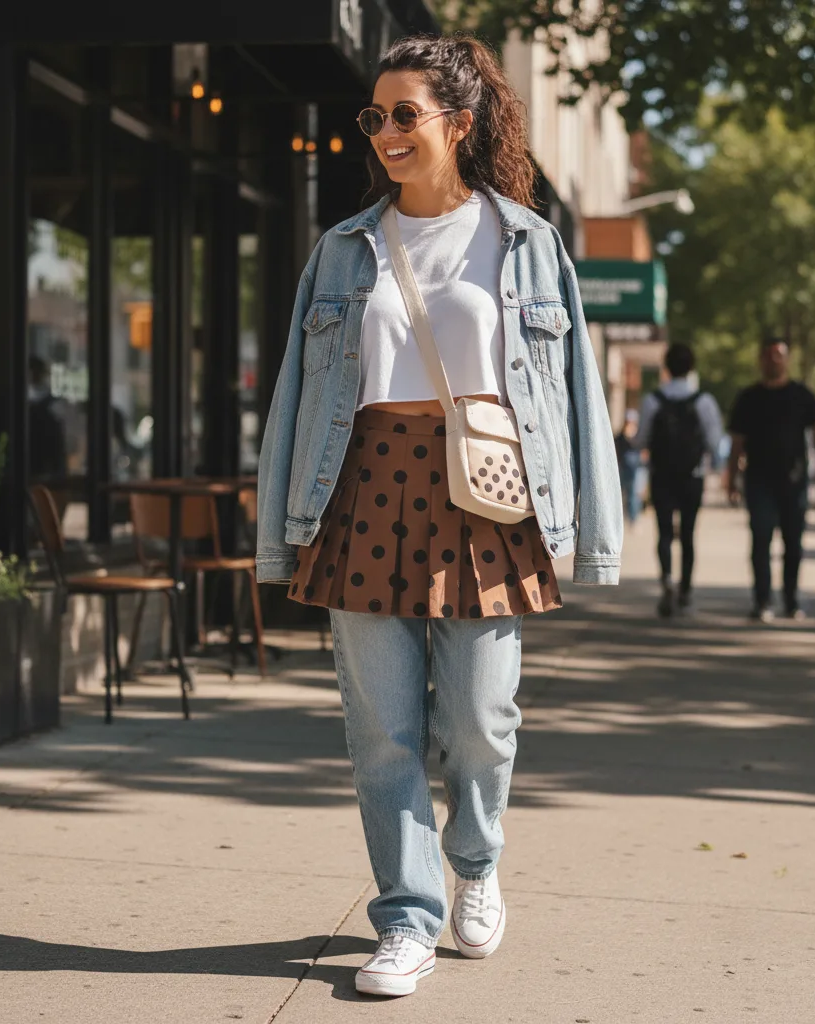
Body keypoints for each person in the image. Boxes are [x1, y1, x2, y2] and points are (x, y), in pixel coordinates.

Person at [257, 34, 622, 998]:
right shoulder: (345, 248)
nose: (383, 132)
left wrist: (595, 528)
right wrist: (277, 530)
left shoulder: (526, 241)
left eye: (404, 114)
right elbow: (298, 397)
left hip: (485, 495)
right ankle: (406, 920)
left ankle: (476, 858)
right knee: (381, 732)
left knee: (480, 720)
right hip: (365, 484)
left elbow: (574, 390)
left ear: (460, 124)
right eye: (372, 116)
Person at [727, 336, 815, 622]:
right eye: (768, 355)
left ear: (787, 359)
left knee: (793, 544)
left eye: (779, 355)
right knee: (761, 541)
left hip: (794, 481)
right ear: (761, 360)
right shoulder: (749, 398)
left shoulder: (801, 395)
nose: (773, 360)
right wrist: (732, 478)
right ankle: (762, 601)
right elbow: (737, 442)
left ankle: (792, 600)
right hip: (758, 481)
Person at [635, 343, 723, 616]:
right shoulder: (704, 402)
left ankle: (666, 582)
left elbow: (640, 440)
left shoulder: (653, 401)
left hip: (661, 475)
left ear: (666, 367)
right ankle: (685, 589)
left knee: (663, 533)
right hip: (691, 477)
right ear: (692, 367)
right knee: (687, 534)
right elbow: (715, 442)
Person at [615, 410, 643, 526]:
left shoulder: (639, 435)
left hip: (635, 470)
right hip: (622, 469)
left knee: (633, 494)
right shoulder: (620, 436)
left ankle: (633, 519)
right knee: (620, 494)